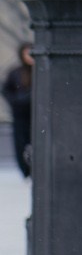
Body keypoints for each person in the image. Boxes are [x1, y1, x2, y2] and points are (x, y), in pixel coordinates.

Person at [3, 43, 29, 177]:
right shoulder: (16, 72)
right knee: (20, 143)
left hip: (36, 114)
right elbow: (6, 89)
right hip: (20, 115)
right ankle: (25, 170)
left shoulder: (41, 70)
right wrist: (15, 102)